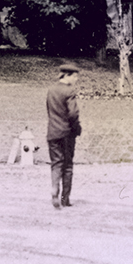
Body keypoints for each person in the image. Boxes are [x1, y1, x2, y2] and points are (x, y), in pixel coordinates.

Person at [47, 62, 84, 209]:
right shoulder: (69, 91)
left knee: (56, 163)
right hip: (66, 133)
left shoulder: (51, 90)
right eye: (74, 77)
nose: (76, 80)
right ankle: (65, 198)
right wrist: (77, 129)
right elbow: (73, 113)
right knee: (67, 166)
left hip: (52, 132)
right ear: (67, 75)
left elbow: (49, 111)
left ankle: (54, 190)